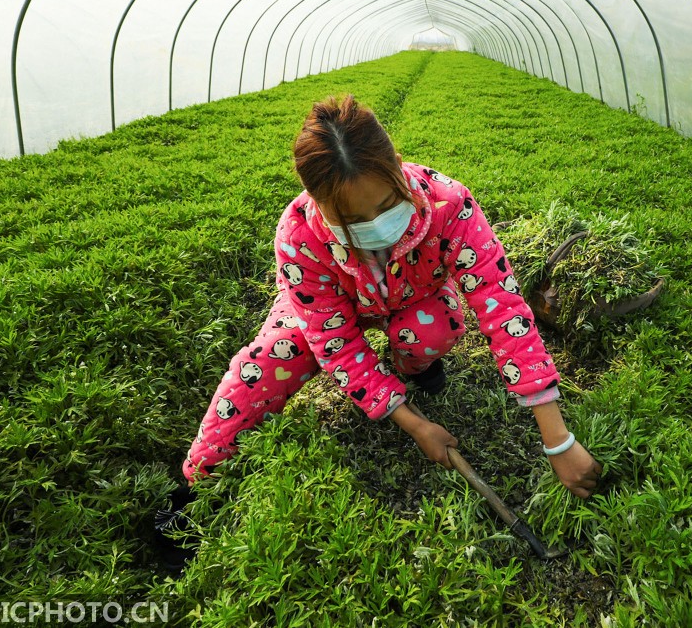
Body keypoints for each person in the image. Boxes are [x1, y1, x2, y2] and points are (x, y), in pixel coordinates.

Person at [154, 93, 601, 571]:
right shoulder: (300, 235)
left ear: (399, 167)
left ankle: (416, 368)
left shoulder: (450, 206)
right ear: (318, 205)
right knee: (266, 362)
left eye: (387, 205)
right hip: (331, 305)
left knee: (432, 330)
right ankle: (195, 489)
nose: (376, 227)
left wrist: (558, 440)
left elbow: (505, 312)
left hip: (417, 294)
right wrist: (414, 425)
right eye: (352, 221)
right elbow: (338, 345)